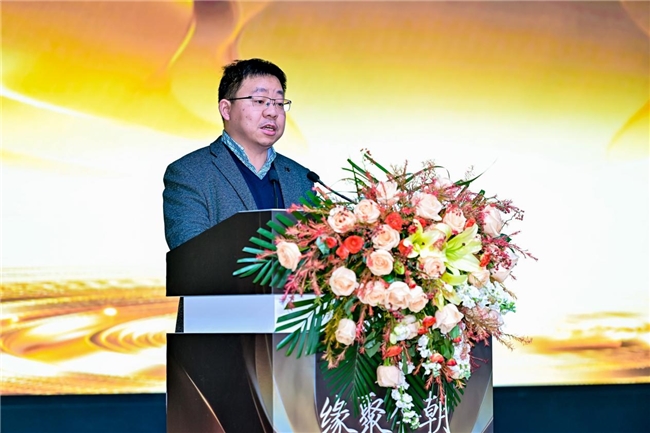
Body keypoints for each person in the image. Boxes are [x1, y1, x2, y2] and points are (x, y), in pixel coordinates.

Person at [163, 58, 314, 331]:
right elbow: (191, 253)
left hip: (294, 334)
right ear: (226, 109)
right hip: (216, 330)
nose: (272, 112)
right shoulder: (189, 173)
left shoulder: (303, 178)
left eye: (279, 103)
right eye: (260, 101)